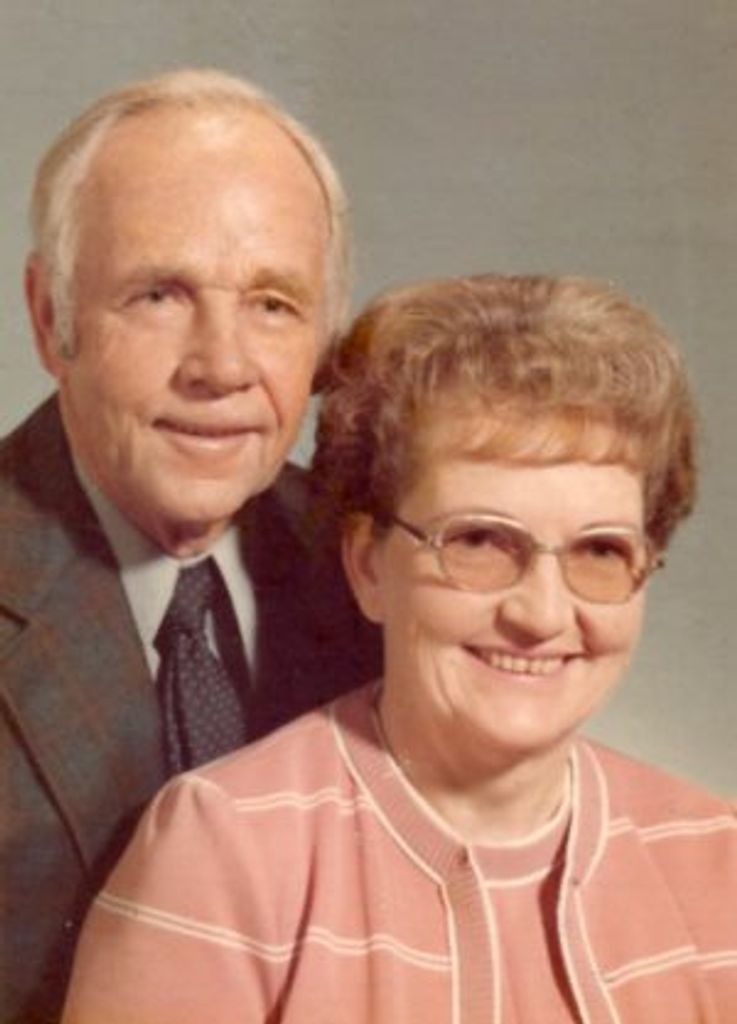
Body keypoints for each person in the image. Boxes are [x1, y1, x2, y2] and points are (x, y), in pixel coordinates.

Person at [62, 274, 737, 1023]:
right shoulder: (222, 850)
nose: (542, 614)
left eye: (600, 551)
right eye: (479, 541)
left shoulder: (717, 857)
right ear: (368, 566)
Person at [0, 68, 380, 1024]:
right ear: (50, 319)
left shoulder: (378, 571)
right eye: (159, 295)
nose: (221, 366)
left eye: (273, 304)